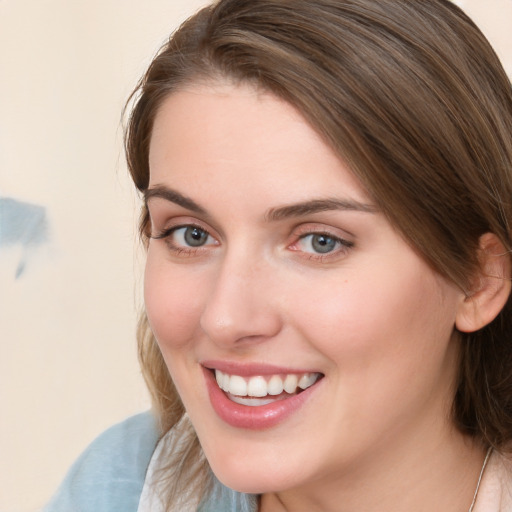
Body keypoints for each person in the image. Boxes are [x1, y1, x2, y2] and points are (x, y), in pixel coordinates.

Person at [45, 0, 512, 510]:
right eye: (191, 235)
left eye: (320, 241)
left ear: (476, 279)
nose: (225, 318)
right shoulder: (120, 482)